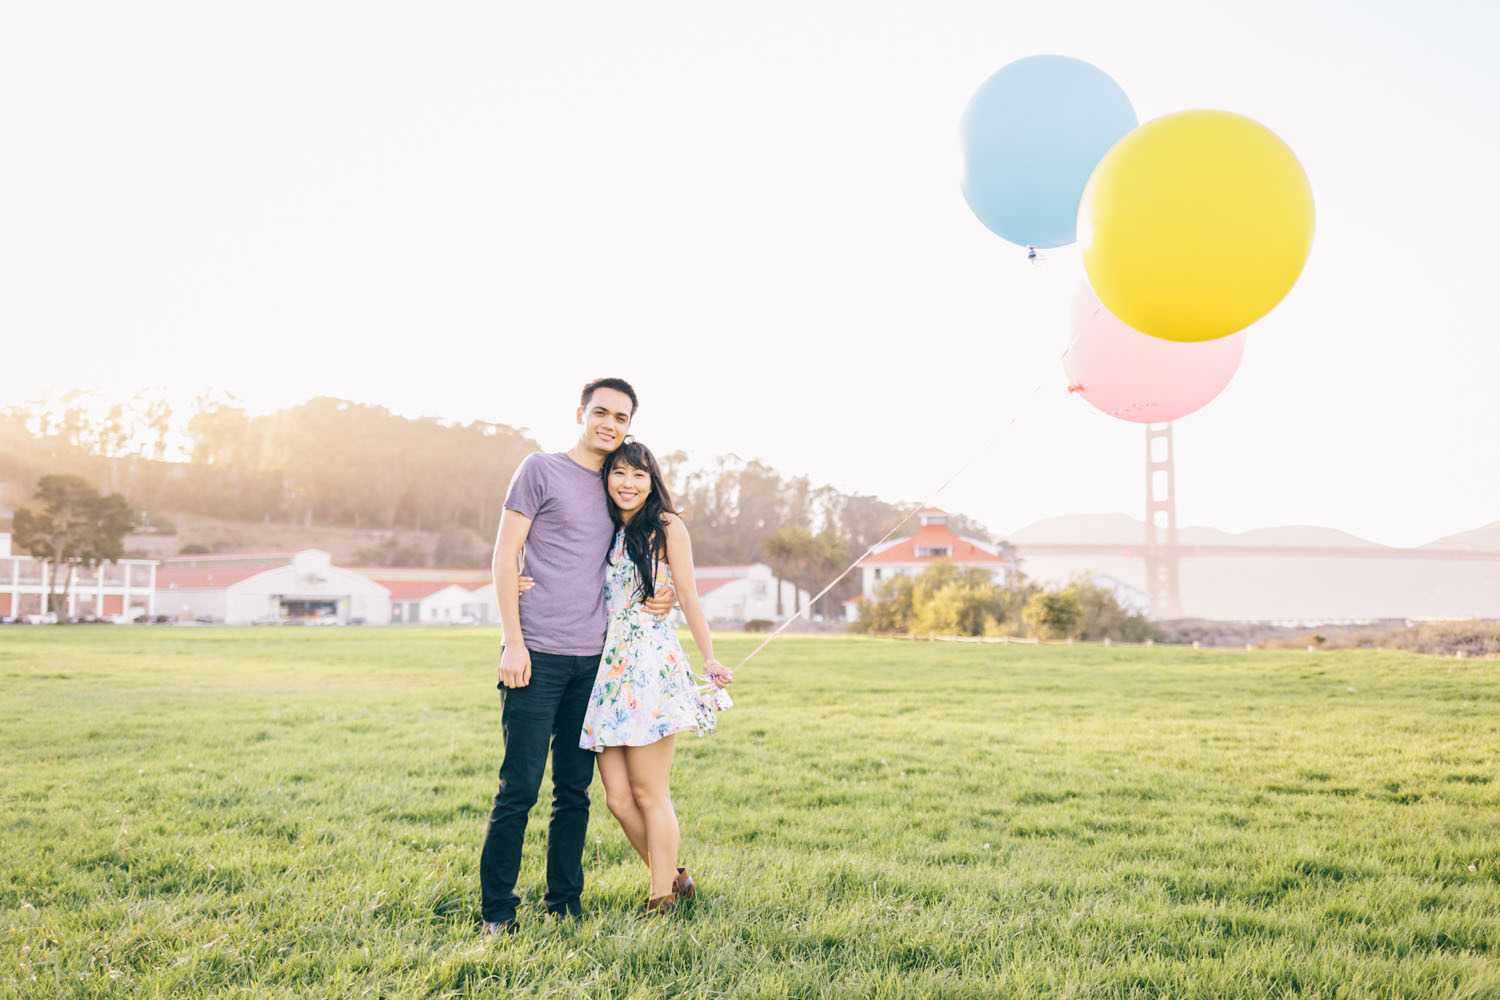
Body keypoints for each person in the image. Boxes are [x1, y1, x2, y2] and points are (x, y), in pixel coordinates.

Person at [478, 378, 674, 937]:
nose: (609, 424)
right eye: (601, 412)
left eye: (621, 417)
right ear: (581, 413)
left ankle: (563, 904)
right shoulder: (539, 469)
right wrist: (512, 642)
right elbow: (504, 554)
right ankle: (498, 913)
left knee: (574, 793)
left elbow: (649, 549)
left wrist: (670, 592)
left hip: (595, 663)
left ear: (629, 426)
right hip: (535, 654)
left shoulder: (621, 485)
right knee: (519, 788)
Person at [579, 440, 734, 914]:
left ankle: (661, 896)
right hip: (607, 671)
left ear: (653, 481)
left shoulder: (666, 526)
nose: (628, 483)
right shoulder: (602, 528)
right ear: (607, 479)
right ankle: (676, 877)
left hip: (648, 665)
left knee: (650, 791)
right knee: (618, 798)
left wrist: (709, 659)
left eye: (639, 475)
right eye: (619, 474)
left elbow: (687, 593)